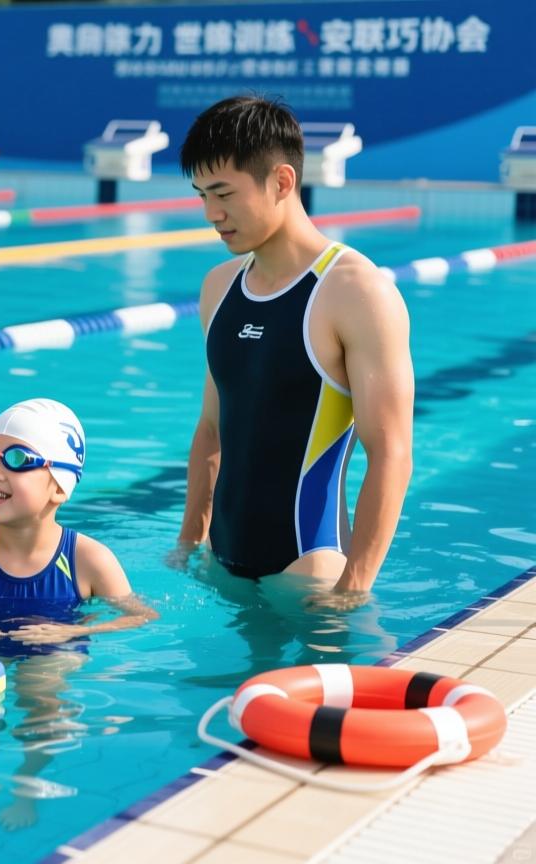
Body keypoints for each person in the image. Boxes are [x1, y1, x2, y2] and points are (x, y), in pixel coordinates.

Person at [173, 95, 414, 610]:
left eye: (223, 194)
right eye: (201, 195)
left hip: (310, 569)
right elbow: (213, 428)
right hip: (222, 560)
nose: (211, 214)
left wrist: (354, 587)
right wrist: (190, 541)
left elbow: (390, 452)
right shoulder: (219, 287)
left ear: (282, 182)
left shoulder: (356, 291)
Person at [0, 398, 158, 829]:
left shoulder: (88, 559)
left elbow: (141, 616)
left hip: (55, 644)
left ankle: (28, 781)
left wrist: (64, 634)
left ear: (58, 486)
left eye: (19, 459)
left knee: (42, 695)